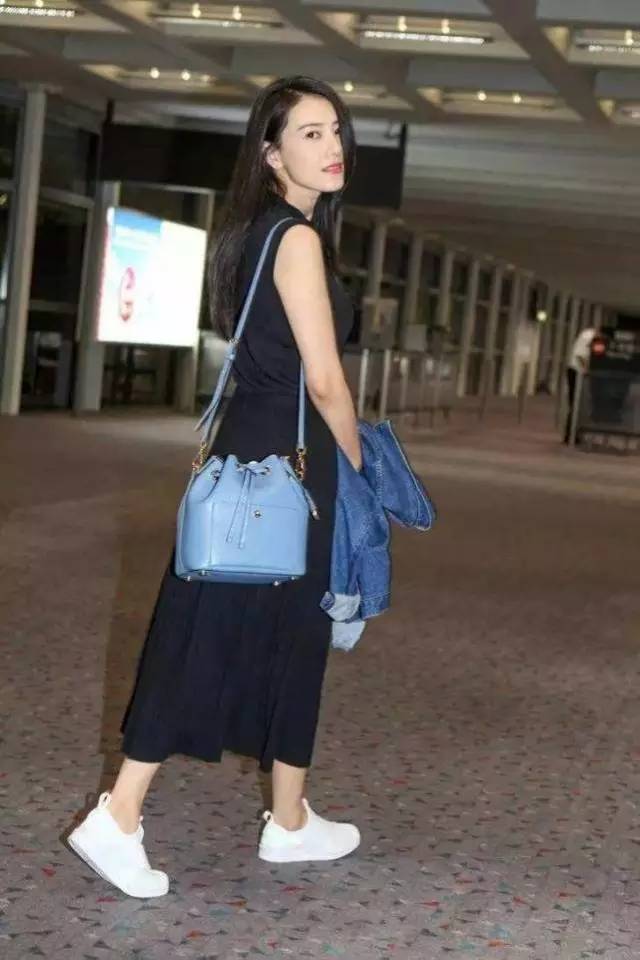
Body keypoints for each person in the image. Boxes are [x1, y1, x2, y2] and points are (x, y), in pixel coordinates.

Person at [68, 76, 363, 897]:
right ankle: (118, 813)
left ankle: (290, 819)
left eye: (334, 129)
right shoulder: (294, 241)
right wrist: (359, 467)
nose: (331, 146)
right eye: (308, 133)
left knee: (290, 630)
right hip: (287, 460)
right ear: (270, 153)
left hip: (256, 449)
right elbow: (325, 379)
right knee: (205, 628)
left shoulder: (258, 234)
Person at [564, 325, 596, 443]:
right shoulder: (588, 336)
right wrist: (587, 370)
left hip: (577, 371)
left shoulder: (588, 335)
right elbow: (580, 355)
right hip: (576, 371)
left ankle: (573, 434)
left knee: (577, 404)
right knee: (576, 404)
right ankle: (571, 435)